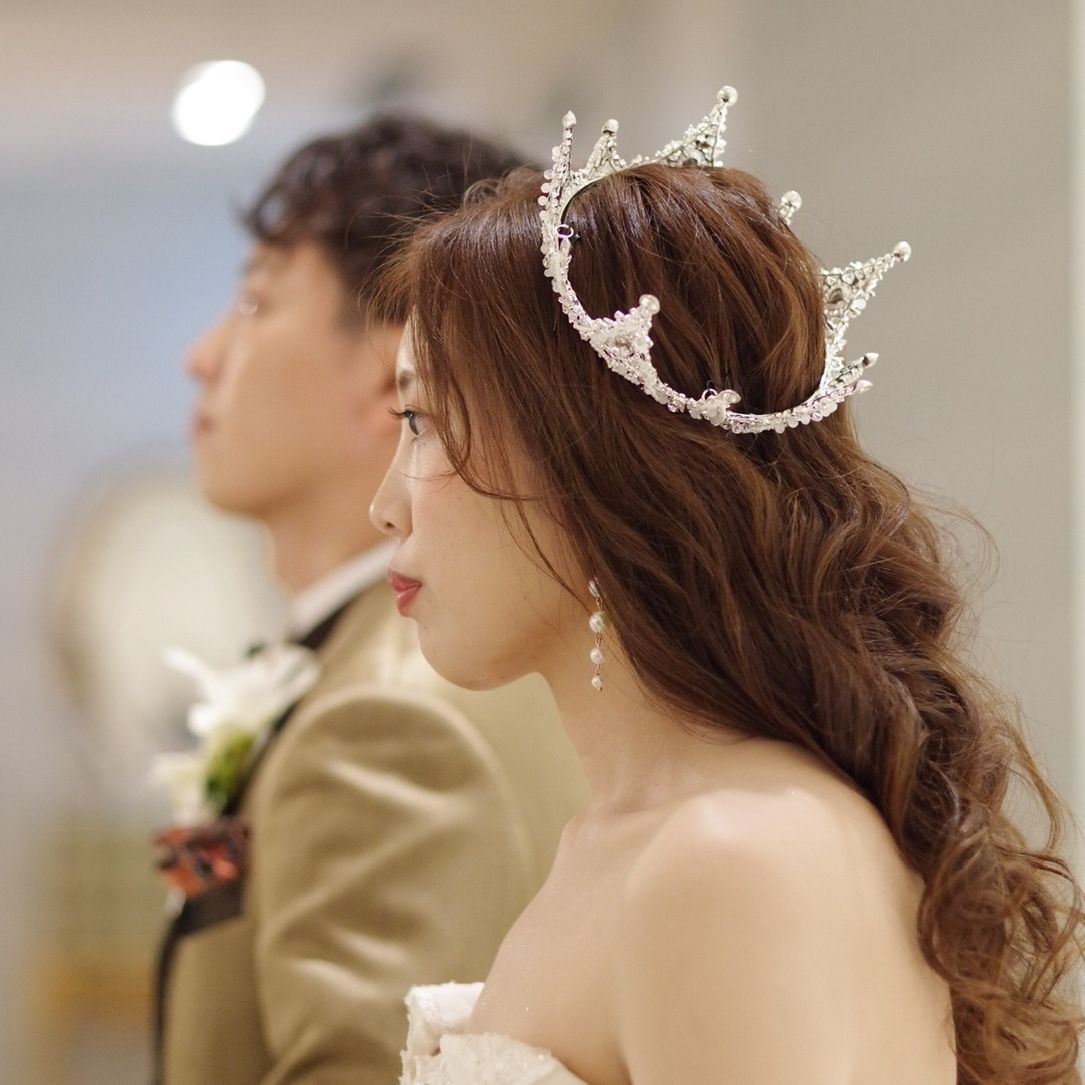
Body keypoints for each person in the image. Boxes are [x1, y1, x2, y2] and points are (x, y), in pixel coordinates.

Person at [372, 89, 1085, 1085]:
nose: (385, 507)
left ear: (590, 463)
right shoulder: (631, 838)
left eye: (421, 424)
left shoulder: (725, 859)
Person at [155, 115, 587, 1085]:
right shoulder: (347, 668)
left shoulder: (395, 715)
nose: (202, 354)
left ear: (388, 367)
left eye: (256, 302)